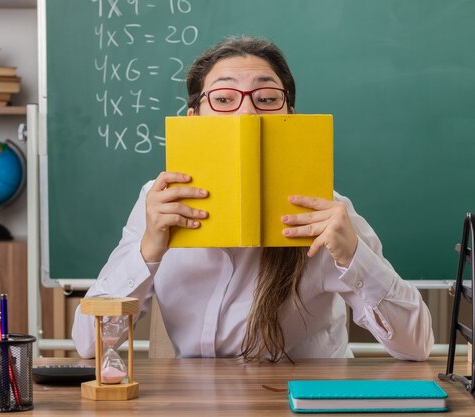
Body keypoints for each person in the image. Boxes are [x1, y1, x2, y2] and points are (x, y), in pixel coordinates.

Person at [72, 36, 433, 362]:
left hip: (302, 401)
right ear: (193, 118)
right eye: (224, 98)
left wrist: (354, 256)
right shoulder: (158, 203)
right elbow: (89, 344)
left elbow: (417, 345)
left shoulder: (326, 211)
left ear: (290, 114)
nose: (247, 113)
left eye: (266, 99)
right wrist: (148, 251)